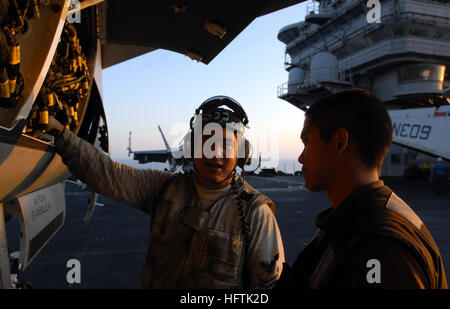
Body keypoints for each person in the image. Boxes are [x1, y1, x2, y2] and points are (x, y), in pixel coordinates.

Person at [49, 95, 285, 288]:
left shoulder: (256, 213)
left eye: (226, 145)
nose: (215, 153)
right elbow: (108, 174)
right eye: (206, 142)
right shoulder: (164, 188)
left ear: (241, 153)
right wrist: (59, 134)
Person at [276, 89, 447, 289]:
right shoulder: (356, 221)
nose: (301, 157)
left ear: (340, 141)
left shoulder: (382, 249)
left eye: (307, 141)